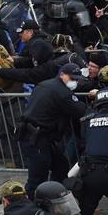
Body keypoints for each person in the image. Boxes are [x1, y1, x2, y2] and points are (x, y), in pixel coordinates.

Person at [19, 63, 87, 197]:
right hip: (37, 139)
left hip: (38, 137)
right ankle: (33, 209)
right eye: (72, 78)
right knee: (37, 179)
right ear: (61, 74)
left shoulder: (44, 84)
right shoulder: (62, 93)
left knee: (60, 167)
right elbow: (80, 110)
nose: (75, 82)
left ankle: (54, 196)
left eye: (77, 79)